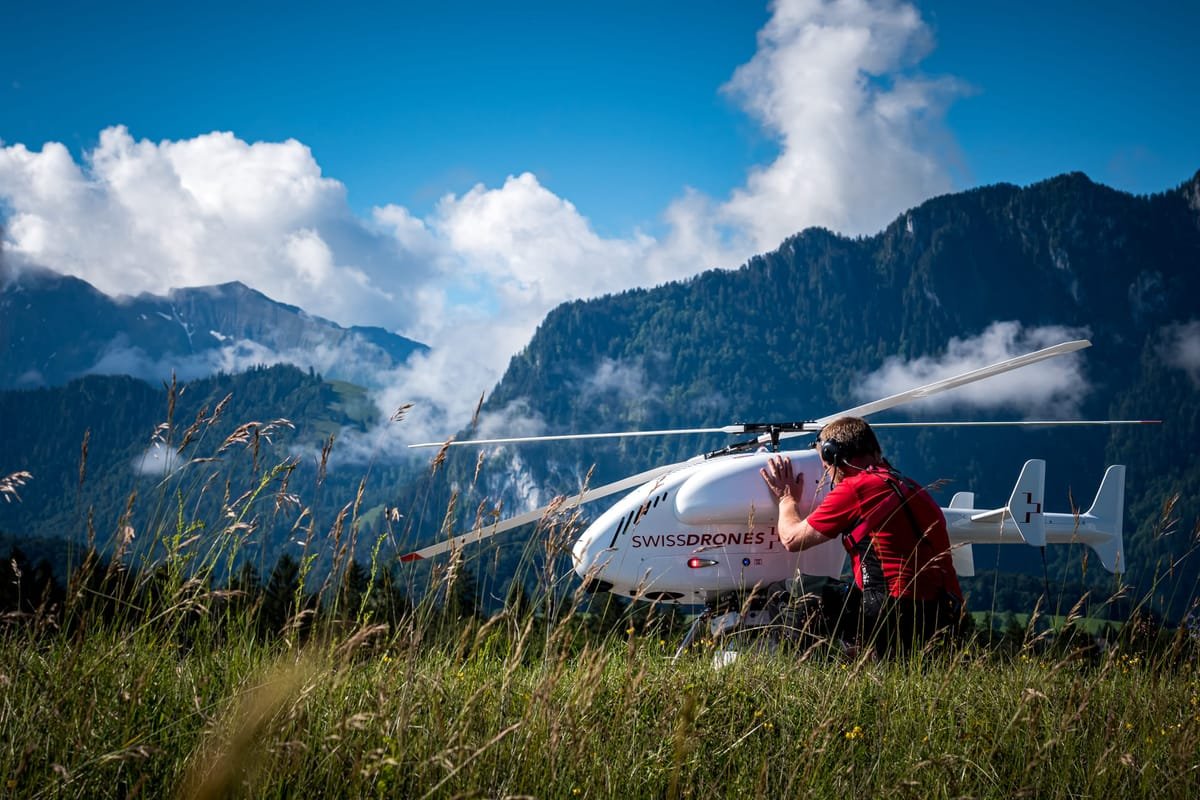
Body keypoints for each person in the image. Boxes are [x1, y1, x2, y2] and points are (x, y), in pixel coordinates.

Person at [760, 416, 963, 656]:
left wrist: (786, 498)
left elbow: (792, 539)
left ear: (834, 455)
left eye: (826, 468)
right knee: (839, 594)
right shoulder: (913, 488)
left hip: (890, 613)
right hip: (943, 616)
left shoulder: (856, 488)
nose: (829, 477)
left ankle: (797, 675)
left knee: (786, 592)